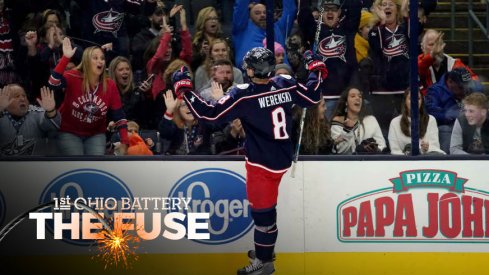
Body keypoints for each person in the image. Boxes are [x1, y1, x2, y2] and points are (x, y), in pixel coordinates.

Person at [171, 47, 326, 274]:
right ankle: (266, 248)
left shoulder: (245, 95)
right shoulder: (286, 82)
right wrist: (315, 67)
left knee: (263, 216)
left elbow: (209, 115)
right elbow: (313, 96)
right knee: (267, 214)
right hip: (282, 159)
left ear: (252, 70)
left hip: (261, 166)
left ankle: (264, 263)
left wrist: (185, 89)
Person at [48, 37, 129, 155]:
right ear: (86, 61)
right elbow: (53, 82)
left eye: (102, 58)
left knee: (95, 165)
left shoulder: (109, 84)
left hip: (96, 134)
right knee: (77, 162)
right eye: (95, 58)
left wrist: (124, 141)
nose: (100, 61)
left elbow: (119, 116)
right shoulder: (73, 76)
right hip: (69, 131)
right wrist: (66, 58)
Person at [298, 0, 362, 119]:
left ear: (339, 13)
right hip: (323, 97)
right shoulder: (314, 30)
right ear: (321, 12)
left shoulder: (347, 29)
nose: (330, 12)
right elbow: (304, 15)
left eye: (334, 9)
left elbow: (355, 8)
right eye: (326, 9)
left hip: (345, 97)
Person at [368, 0, 410, 136]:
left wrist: (405, 13)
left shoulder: (405, 29)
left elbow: (415, 31)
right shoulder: (375, 31)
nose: (387, 7)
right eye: (384, 5)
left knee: (406, 125)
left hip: (403, 87)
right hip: (382, 89)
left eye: (390, 4)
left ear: (396, 10)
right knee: (383, 128)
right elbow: (377, 48)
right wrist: (382, 23)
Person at [425, 67, 482, 153]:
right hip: (447, 126)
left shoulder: (470, 88)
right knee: (445, 129)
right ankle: (448, 160)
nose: (465, 89)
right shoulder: (435, 91)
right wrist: (448, 115)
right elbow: (431, 111)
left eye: (467, 85)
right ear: (450, 82)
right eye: (461, 87)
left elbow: (479, 90)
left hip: (468, 123)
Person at [232, 0, 296, 68]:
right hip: (252, 73)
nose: (262, 15)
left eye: (265, 12)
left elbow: (290, 10)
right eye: (257, 13)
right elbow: (240, 8)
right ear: (250, 16)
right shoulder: (241, 28)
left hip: (282, 73)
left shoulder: (279, 28)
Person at [0, 85, 60, 156]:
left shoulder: (36, 113)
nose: (22, 99)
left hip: (34, 164)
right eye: (16, 96)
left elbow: (53, 126)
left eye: (24, 96)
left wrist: (50, 111)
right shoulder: (2, 113)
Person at [418, 29, 478, 95]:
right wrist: (431, 55)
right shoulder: (419, 62)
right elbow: (419, 70)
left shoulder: (454, 63)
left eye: (439, 44)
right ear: (422, 47)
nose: (436, 48)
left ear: (443, 46)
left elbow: (473, 80)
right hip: (427, 103)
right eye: (431, 44)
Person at [388, 88, 444, 155]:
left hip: (426, 160)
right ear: (405, 101)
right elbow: (395, 151)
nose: (415, 101)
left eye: (418, 99)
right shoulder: (395, 123)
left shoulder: (431, 120)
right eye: (410, 99)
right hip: (403, 163)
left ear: (422, 101)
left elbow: (435, 147)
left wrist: (425, 149)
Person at [331, 87, 386, 154]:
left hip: (369, 162)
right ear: (346, 102)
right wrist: (347, 130)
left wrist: (372, 149)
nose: (358, 98)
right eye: (353, 96)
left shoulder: (371, 120)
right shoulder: (338, 122)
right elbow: (340, 151)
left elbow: (382, 145)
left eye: (360, 96)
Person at [108, 56, 154, 129]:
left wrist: (148, 94)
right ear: (113, 73)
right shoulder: (108, 93)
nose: (125, 72)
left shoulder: (138, 91)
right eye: (121, 70)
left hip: (137, 133)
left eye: (127, 69)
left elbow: (148, 117)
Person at [190, 6, 225, 70]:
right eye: (209, 19)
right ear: (202, 22)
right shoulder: (196, 42)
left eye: (215, 18)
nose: (213, 21)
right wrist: (201, 54)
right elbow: (192, 65)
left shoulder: (223, 40)